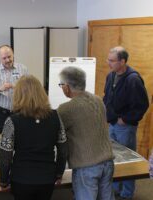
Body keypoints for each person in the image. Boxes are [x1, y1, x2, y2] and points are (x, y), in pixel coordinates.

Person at [0, 75, 67, 200]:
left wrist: (3, 180)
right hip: (47, 178)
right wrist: (59, 173)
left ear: (18, 94)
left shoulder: (12, 121)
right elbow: (63, 150)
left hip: (21, 179)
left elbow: (5, 156)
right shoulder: (55, 116)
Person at [57, 66, 115, 200]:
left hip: (86, 166)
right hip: (107, 162)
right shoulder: (98, 100)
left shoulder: (66, 109)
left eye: (61, 85)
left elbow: (56, 134)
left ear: (66, 87)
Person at [103, 46, 149, 200]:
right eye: (108, 59)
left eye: (112, 60)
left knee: (128, 161)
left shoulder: (133, 79)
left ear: (122, 61)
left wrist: (126, 120)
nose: (108, 63)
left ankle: (127, 193)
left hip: (125, 126)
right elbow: (107, 97)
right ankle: (116, 188)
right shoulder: (111, 76)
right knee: (114, 158)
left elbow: (142, 105)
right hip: (113, 123)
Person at [0, 45, 28, 134]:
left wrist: (18, 87)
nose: (7, 60)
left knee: (20, 138)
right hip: (0, 113)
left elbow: (29, 89)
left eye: (9, 56)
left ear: (13, 54)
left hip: (19, 112)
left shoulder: (23, 69)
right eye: (4, 58)